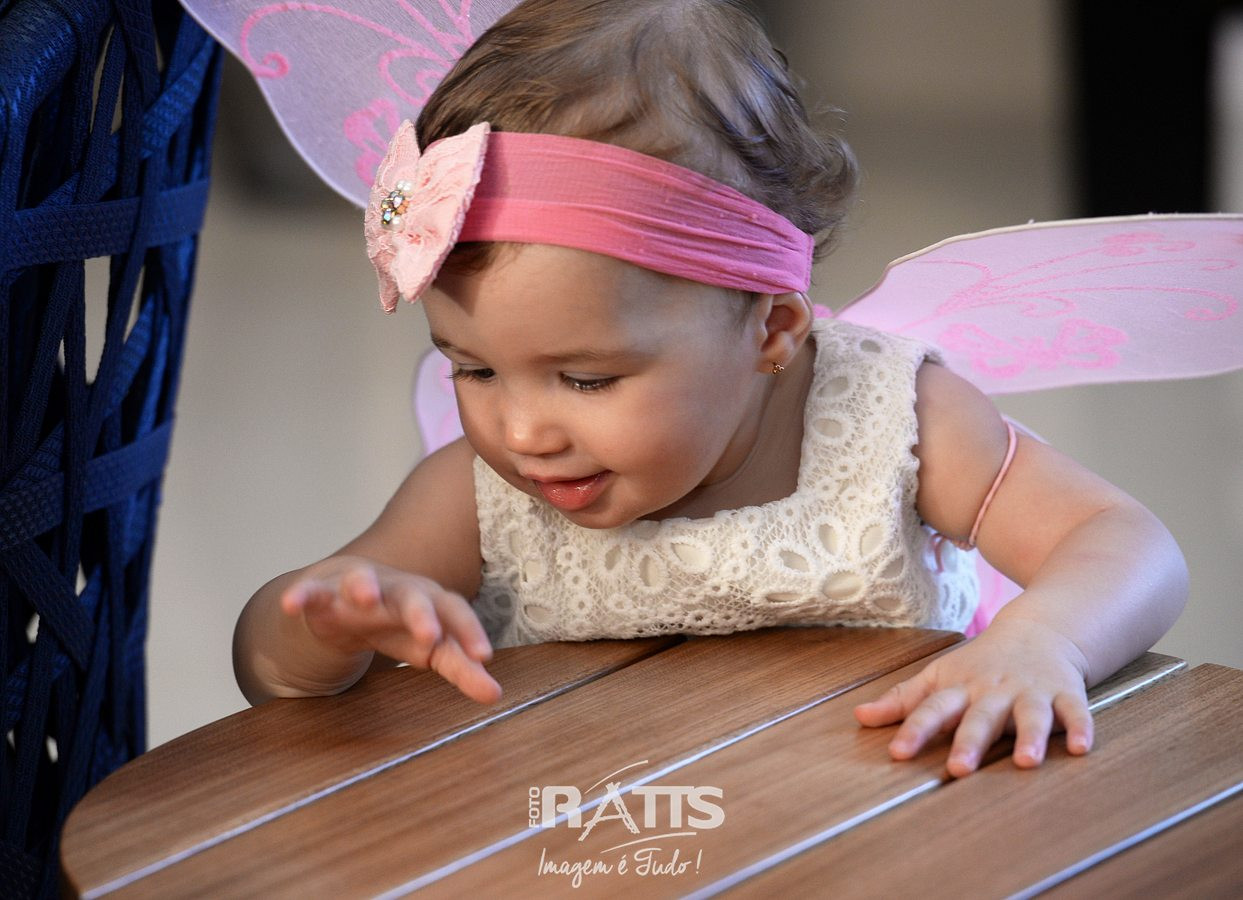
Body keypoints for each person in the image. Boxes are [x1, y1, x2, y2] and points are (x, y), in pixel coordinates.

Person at [233, 0, 1187, 778]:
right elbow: (271, 672)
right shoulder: (475, 496)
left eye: (586, 378)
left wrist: (1046, 641)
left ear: (771, 329)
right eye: (472, 368)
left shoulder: (895, 422)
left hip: (877, 819)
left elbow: (1126, 544)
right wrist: (323, 624)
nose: (519, 431)